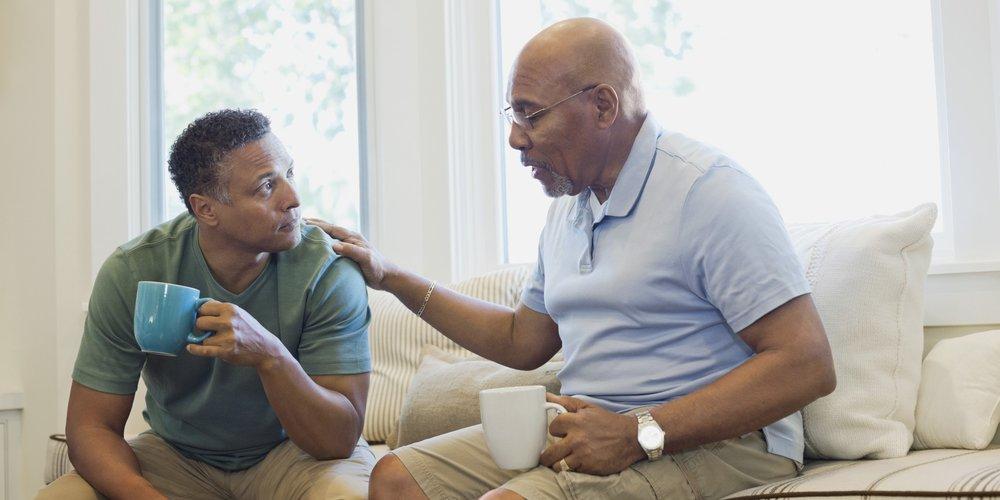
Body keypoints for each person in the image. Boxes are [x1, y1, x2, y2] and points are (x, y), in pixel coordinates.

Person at [309, 18, 836, 500]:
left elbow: (807, 363)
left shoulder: (709, 192)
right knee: (398, 479)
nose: (515, 139)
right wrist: (391, 277)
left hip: (728, 444)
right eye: (512, 115)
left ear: (603, 106)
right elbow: (524, 340)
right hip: (592, 426)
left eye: (530, 115)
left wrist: (638, 432)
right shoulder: (570, 206)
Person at [38, 109, 374, 500]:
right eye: (267, 187)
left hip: (294, 454)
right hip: (177, 456)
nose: (293, 198)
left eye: (289, 174)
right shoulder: (134, 271)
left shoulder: (328, 271)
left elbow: (337, 439)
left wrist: (270, 356)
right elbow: (90, 427)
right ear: (206, 209)